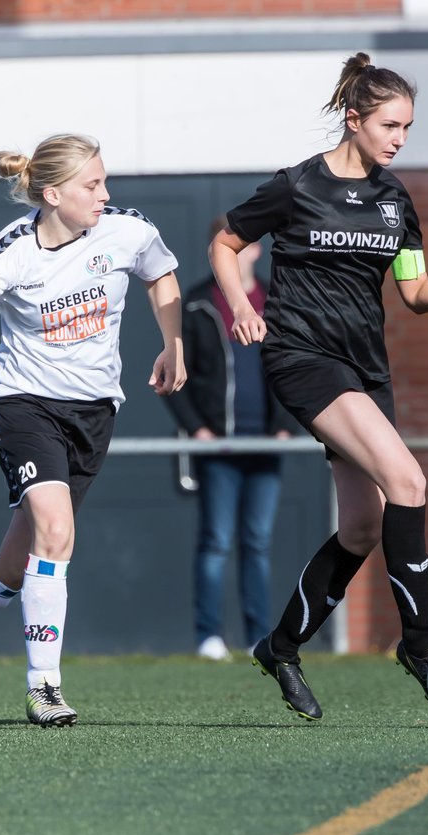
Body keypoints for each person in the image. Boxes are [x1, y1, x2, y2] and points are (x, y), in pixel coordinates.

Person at [210, 53, 428, 720]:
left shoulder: (396, 202)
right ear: (354, 118)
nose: (400, 138)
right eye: (390, 124)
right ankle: (422, 647)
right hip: (303, 359)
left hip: (366, 370)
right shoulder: (295, 187)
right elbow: (225, 244)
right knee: (410, 483)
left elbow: (415, 293)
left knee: (366, 523)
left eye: (408, 127)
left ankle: (280, 647)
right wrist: (244, 308)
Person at [0, 133, 185, 726]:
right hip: (25, 405)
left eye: (104, 181)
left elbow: (163, 277)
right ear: (52, 194)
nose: (106, 195)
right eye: (92, 185)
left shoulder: (126, 229)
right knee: (56, 527)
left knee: (18, 564)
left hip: (95, 410)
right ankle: (44, 687)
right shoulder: (12, 251)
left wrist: (172, 343)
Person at [166, 215, 294, 662]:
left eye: (244, 247)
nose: (237, 255)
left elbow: (290, 370)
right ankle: (209, 637)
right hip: (217, 446)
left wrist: (285, 425)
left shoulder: (278, 302)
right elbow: (174, 373)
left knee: (257, 542)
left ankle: (261, 637)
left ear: (257, 250)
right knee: (216, 541)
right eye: (226, 247)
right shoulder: (199, 302)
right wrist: (197, 428)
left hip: (265, 444)